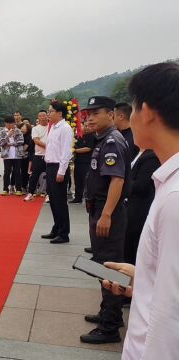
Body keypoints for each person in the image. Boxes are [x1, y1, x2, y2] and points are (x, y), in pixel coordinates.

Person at [102, 62, 179, 359]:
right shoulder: (168, 180)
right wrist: (143, 278)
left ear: (146, 112)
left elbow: (171, 312)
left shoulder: (174, 196)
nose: (130, 118)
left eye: (132, 110)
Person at [78, 96, 129, 344]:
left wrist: (106, 214)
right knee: (102, 263)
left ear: (111, 114)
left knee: (110, 266)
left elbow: (117, 180)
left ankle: (110, 327)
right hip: (98, 209)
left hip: (107, 212)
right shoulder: (103, 139)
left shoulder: (112, 141)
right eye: (88, 113)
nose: (90, 117)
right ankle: (109, 313)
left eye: (96, 113)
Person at [41, 101, 73, 244]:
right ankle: (57, 227)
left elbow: (66, 152)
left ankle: (64, 233)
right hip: (50, 166)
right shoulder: (53, 127)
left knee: (60, 202)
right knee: (53, 201)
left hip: (59, 167)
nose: (48, 114)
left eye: (51, 111)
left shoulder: (65, 128)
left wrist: (61, 171)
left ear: (60, 113)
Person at [124, 149, 160, 265]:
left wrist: (120, 182)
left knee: (133, 246)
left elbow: (141, 186)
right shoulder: (139, 152)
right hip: (130, 206)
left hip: (139, 209)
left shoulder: (151, 157)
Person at [24, 111, 49, 201]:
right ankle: (30, 193)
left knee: (49, 175)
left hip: (50, 155)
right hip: (38, 155)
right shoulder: (35, 128)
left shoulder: (52, 127)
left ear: (47, 116)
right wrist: (50, 147)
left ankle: (48, 194)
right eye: (40, 116)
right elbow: (36, 141)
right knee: (34, 175)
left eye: (44, 115)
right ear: (38, 118)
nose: (42, 117)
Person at [69, 123, 97, 204]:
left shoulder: (92, 136)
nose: (87, 128)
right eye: (85, 126)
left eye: (89, 126)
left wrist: (75, 150)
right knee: (78, 181)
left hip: (87, 162)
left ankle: (89, 198)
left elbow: (88, 148)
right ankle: (78, 198)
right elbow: (73, 145)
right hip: (78, 162)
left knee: (87, 181)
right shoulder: (78, 136)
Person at [0, 116, 24, 196]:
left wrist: (11, 143)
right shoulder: (2, 131)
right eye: (8, 123)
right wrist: (8, 136)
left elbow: (21, 141)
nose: (10, 125)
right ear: (6, 123)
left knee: (17, 172)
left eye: (12, 123)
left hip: (17, 155)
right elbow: (1, 143)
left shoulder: (18, 131)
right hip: (7, 155)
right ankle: (5, 189)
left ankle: (18, 189)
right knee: (7, 172)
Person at [20, 122, 33, 192]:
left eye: (25, 128)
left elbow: (25, 148)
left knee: (25, 171)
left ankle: (24, 186)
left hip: (27, 156)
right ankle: (22, 186)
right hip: (20, 156)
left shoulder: (28, 137)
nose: (23, 129)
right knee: (22, 171)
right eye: (22, 128)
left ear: (28, 130)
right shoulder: (19, 135)